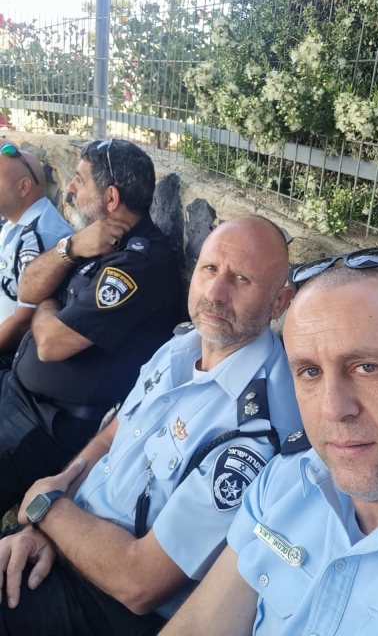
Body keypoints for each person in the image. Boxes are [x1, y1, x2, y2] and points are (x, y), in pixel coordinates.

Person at [0, 215, 303, 636]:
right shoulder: (181, 347)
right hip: (68, 538)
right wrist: (48, 523)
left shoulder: (257, 430)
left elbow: (139, 583)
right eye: (210, 269)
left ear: (279, 302)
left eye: (241, 279)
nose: (215, 293)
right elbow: (114, 433)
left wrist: (46, 508)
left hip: (108, 607)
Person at [158, 247, 378, 636]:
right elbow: (200, 625)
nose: (332, 408)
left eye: (366, 367)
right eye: (309, 372)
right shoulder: (285, 479)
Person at [0, 138, 182, 518]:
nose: (68, 187)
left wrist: (47, 306)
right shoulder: (91, 241)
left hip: (44, 423)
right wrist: (70, 247)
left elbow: (51, 343)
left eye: (79, 180)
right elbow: (29, 289)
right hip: (16, 389)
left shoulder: (141, 266)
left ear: (110, 198)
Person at [0, 143, 73, 365]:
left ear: (23, 187)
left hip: (9, 355)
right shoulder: (14, 224)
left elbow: (24, 321)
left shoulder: (41, 237)